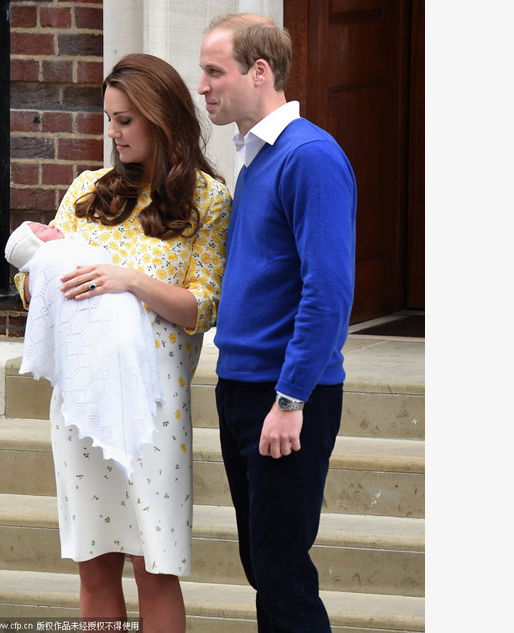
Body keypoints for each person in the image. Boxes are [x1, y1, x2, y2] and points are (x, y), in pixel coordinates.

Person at [30, 53, 231, 632]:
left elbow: (204, 305)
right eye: (108, 120)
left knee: (155, 569)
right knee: (94, 569)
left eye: (124, 121)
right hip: (83, 402)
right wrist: (38, 256)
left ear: (160, 118)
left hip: (154, 411)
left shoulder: (207, 199)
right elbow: (32, 290)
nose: (112, 134)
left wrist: (130, 281)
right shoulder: (86, 190)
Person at [198, 13, 357, 633]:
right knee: (265, 566)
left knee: (282, 574)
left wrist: (291, 396)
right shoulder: (256, 158)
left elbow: (329, 289)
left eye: (215, 71)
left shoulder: (309, 155)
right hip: (242, 386)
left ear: (259, 72)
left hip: (286, 394)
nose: (203, 86)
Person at [5, 221, 162, 476]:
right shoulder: (81, 197)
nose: (52, 227)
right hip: (84, 361)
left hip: (146, 351)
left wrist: (131, 280)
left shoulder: (208, 196)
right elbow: (29, 278)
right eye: (42, 229)